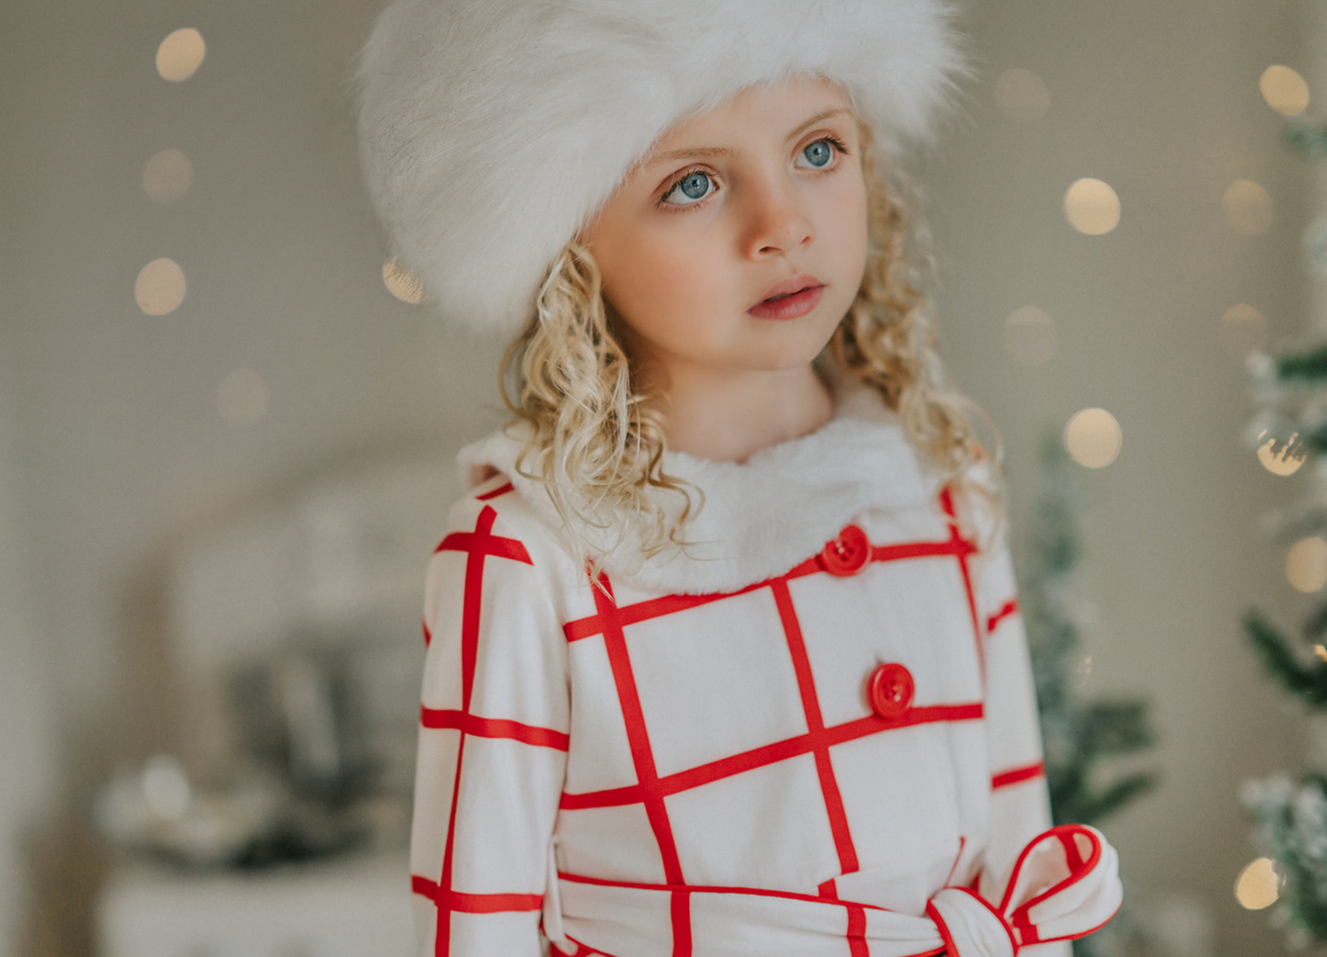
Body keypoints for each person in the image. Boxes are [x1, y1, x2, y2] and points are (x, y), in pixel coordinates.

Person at [355, 1, 1123, 955]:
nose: (782, 225)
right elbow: (476, 930)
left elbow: (1020, 853)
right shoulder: (527, 557)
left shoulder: (938, 485)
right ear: (567, 248)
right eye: (692, 183)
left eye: (816, 151)